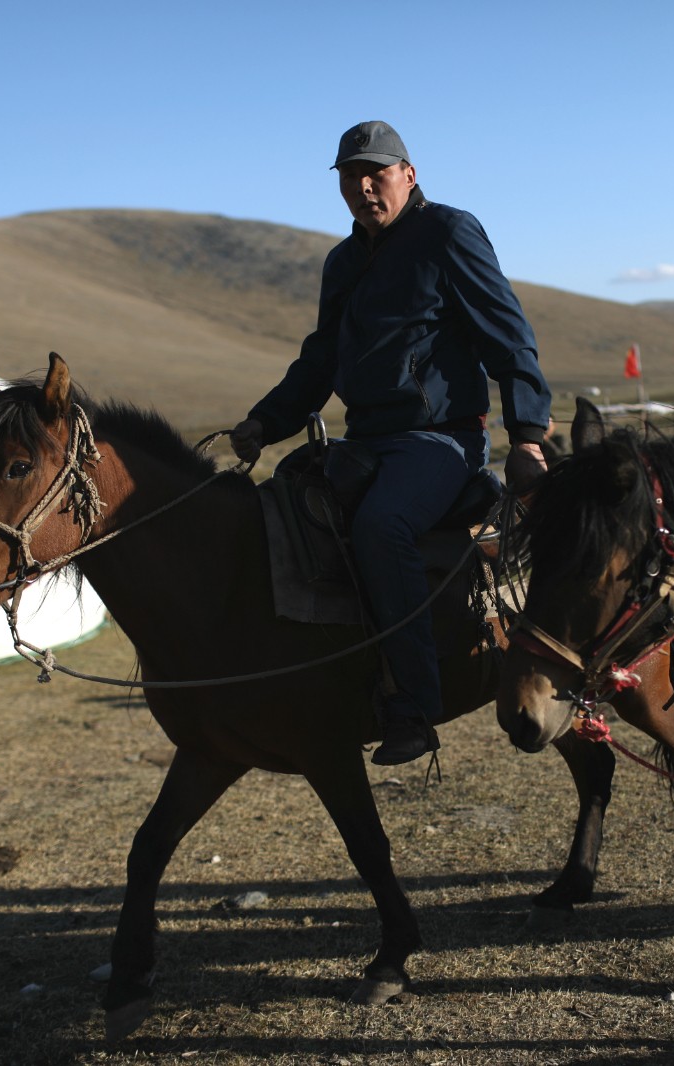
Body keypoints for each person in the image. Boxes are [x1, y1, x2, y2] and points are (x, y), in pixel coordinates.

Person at [230, 120, 552, 765]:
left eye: (376, 172)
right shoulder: (344, 261)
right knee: (286, 507)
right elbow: (320, 358)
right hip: (368, 440)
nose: (364, 185)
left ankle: (413, 703)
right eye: (351, 175)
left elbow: (506, 333)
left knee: (382, 525)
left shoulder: (448, 233)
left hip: (442, 439)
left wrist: (528, 433)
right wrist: (265, 423)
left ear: (408, 173)